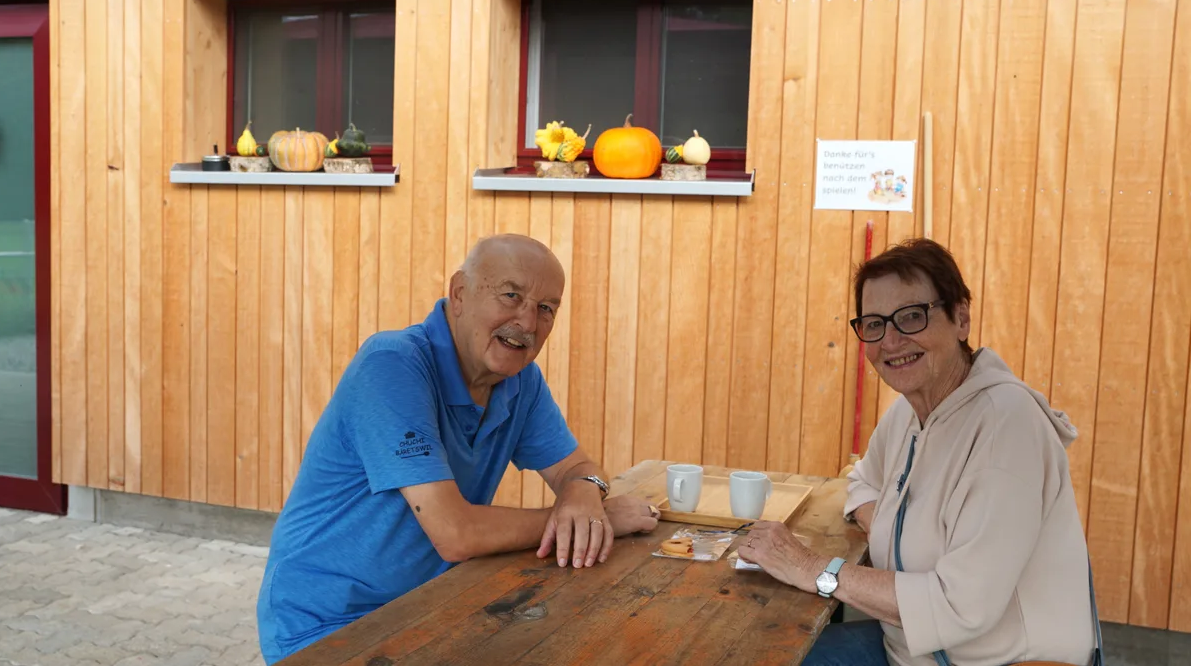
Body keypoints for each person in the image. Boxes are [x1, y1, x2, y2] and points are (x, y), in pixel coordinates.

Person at [256, 233, 660, 664]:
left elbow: (574, 467)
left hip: (427, 610)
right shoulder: (392, 364)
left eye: (546, 309)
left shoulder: (520, 380)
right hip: (327, 624)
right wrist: (594, 521)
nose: (526, 323)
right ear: (460, 294)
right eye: (511, 296)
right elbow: (455, 534)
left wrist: (584, 496)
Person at [737, 238, 1098, 666]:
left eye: (911, 316)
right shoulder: (910, 414)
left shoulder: (1007, 426)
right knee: (752, 652)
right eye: (873, 324)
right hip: (907, 652)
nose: (890, 341)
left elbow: (962, 606)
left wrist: (813, 568)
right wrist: (891, 526)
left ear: (960, 318)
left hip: (1006, 661)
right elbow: (862, 481)